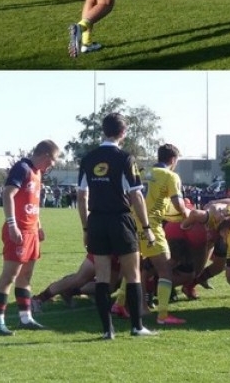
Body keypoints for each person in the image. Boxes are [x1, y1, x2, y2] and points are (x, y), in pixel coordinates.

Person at [77, 113, 157, 339]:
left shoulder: (88, 158)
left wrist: (85, 228)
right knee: (132, 274)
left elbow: (82, 196)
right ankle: (136, 327)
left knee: (102, 276)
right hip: (120, 220)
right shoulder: (125, 158)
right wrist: (147, 226)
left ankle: (106, 331)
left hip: (96, 221)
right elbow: (136, 196)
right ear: (123, 132)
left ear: (104, 130)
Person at [0, 140, 59, 335]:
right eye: (53, 160)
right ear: (45, 155)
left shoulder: (38, 173)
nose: (52, 165)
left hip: (31, 232)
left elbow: (32, 202)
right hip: (18, 230)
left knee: (26, 276)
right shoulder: (22, 168)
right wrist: (12, 225)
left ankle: (25, 318)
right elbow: (7, 194)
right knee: (9, 276)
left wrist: (39, 225)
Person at [139, 143, 191, 325]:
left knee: (133, 265)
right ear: (173, 160)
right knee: (165, 269)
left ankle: (120, 304)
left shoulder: (144, 172)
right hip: (151, 224)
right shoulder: (171, 176)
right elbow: (178, 204)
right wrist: (186, 214)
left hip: (132, 222)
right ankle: (162, 315)